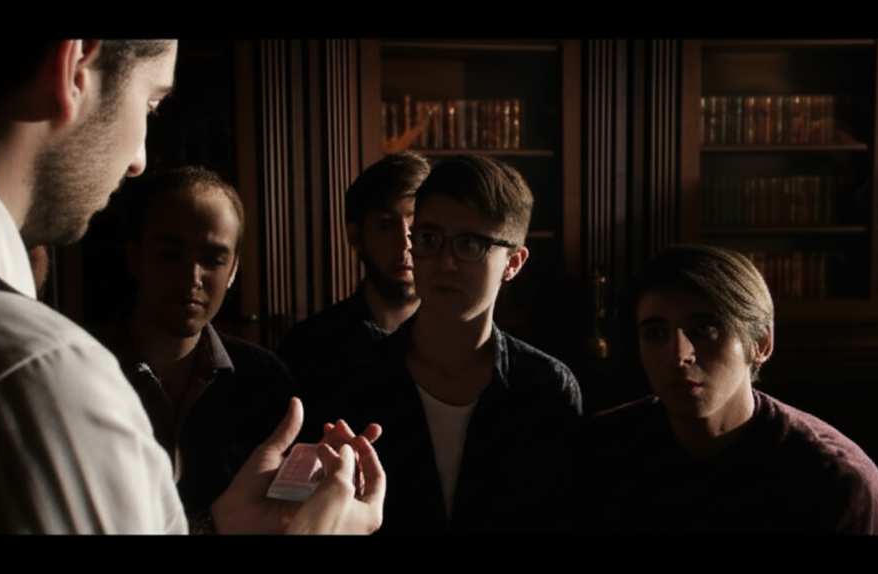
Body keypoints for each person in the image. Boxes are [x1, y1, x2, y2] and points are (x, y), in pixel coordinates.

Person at [0, 38, 384, 534]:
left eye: (213, 257)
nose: (139, 159)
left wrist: (221, 525)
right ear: (77, 65)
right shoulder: (40, 381)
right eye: (151, 104)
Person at [328, 154, 582, 533]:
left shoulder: (546, 388)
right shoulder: (359, 380)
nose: (443, 262)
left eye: (468, 244)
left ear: (513, 262)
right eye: (429, 239)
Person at [583, 244, 878, 533]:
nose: (678, 355)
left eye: (705, 329)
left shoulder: (830, 480)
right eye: (656, 333)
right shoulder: (603, 450)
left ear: (761, 343)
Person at [95, 165, 296, 530]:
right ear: (135, 256)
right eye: (170, 254)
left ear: (233, 270)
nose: (191, 278)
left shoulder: (264, 381)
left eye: (213, 259)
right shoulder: (81, 370)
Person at [277, 151, 429, 392]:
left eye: (417, 227)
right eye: (386, 224)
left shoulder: (459, 343)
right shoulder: (308, 347)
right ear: (355, 236)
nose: (405, 243)